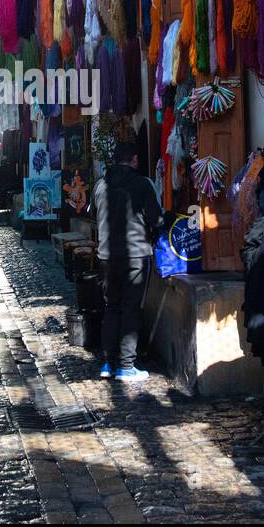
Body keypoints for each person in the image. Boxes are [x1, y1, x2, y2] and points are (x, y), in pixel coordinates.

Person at [91, 141, 162, 381]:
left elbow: (92, 215)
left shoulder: (100, 185)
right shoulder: (143, 185)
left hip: (107, 256)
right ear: (133, 159)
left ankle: (108, 364)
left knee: (111, 306)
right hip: (135, 255)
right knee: (131, 308)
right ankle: (126, 365)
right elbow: (156, 219)